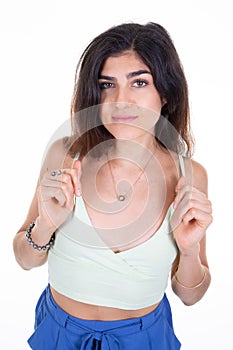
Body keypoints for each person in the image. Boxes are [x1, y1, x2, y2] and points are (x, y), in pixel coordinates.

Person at [13, 22, 213, 349]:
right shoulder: (65, 154)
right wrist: (45, 226)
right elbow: (24, 258)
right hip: (61, 334)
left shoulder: (190, 176)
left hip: (145, 338)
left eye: (139, 82)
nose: (121, 100)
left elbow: (190, 295)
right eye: (107, 84)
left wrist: (189, 250)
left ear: (165, 93)